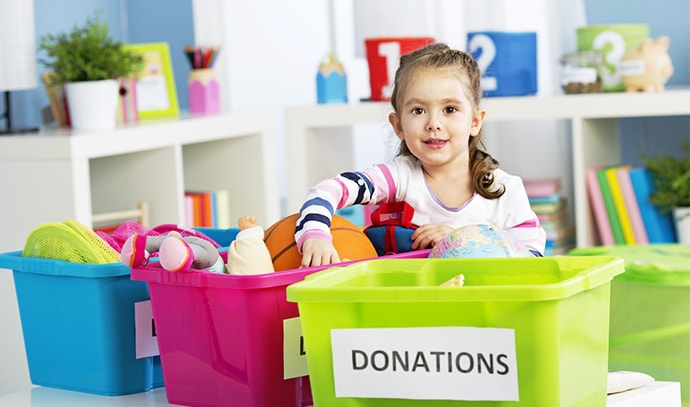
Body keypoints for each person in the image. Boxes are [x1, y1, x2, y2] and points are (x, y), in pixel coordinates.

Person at [295, 42, 546, 267]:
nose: (433, 123)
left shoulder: (506, 189)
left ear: (475, 121)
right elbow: (327, 191)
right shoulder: (399, 177)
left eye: (449, 109)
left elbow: (533, 261)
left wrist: (460, 240)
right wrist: (315, 235)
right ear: (398, 126)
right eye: (418, 111)